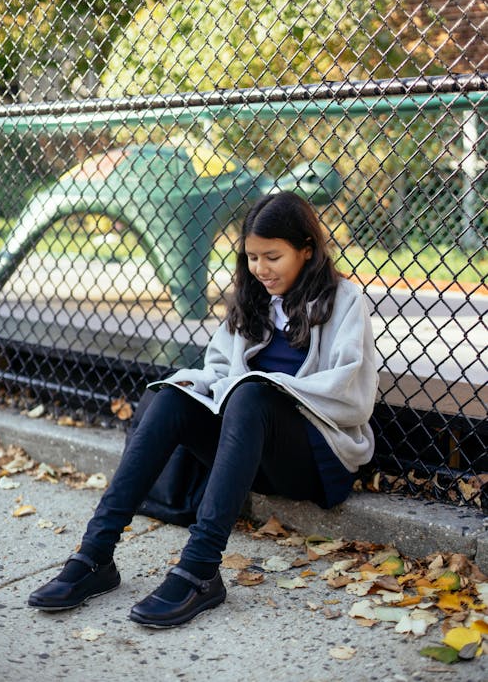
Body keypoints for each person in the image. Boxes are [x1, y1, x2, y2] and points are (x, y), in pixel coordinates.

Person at [28, 191, 378, 627]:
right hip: (249, 445)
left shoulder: (345, 301)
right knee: (172, 393)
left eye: (273, 257)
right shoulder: (253, 298)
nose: (260, 269)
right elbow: (218, 367)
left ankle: (200, 569)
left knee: (252, 396)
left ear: (307, 251)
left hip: (314, 457)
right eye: (251, 257)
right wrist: (196, 384)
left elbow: (352, 394)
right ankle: (95, 554)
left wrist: (265, 386)